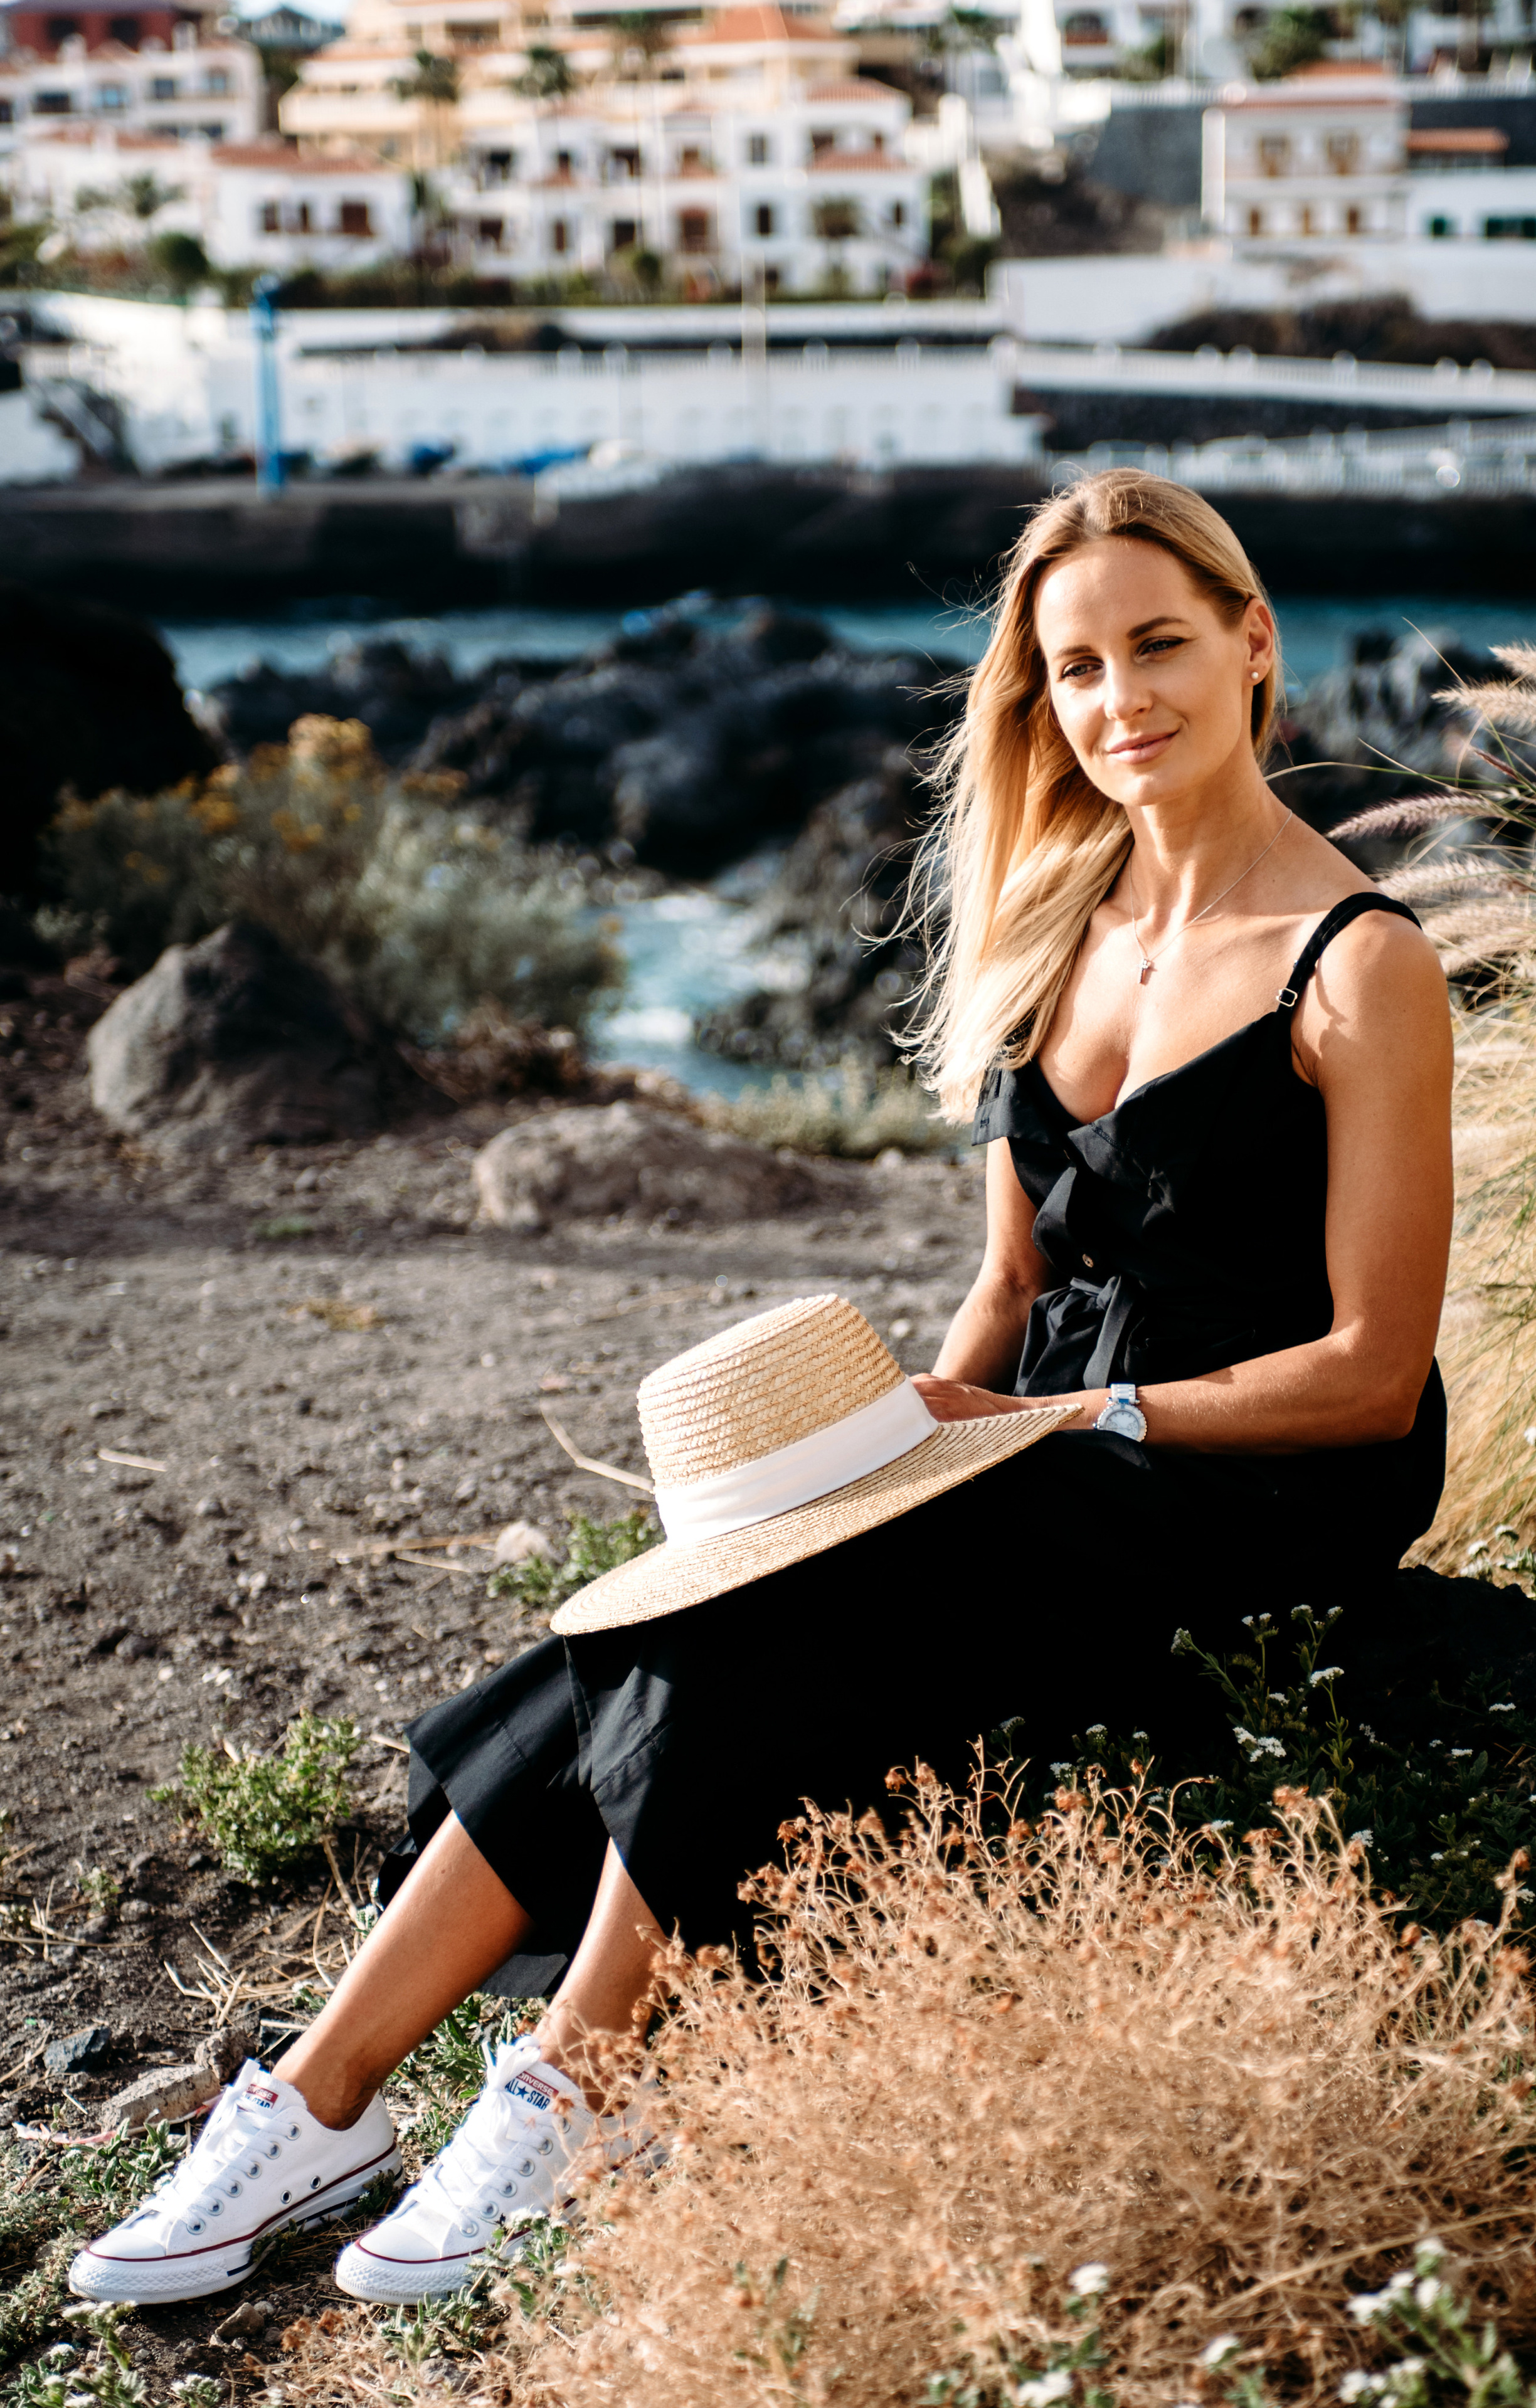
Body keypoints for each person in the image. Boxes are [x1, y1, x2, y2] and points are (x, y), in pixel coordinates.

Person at [70, 470, 1453, 2312]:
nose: (1123, 701)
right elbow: (1006, 1288)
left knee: (788, 1614)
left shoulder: (1361, 966)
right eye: (1076, 670)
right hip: (1036, 1451)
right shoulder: (1052, 930)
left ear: (1254, 641)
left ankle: (581, 2072)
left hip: (1252, 1470)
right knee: (708, 1590)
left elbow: (1372, 1374)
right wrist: (880, 1459)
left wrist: (1065, 1428)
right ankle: (320, 2101)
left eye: (1161, 646)